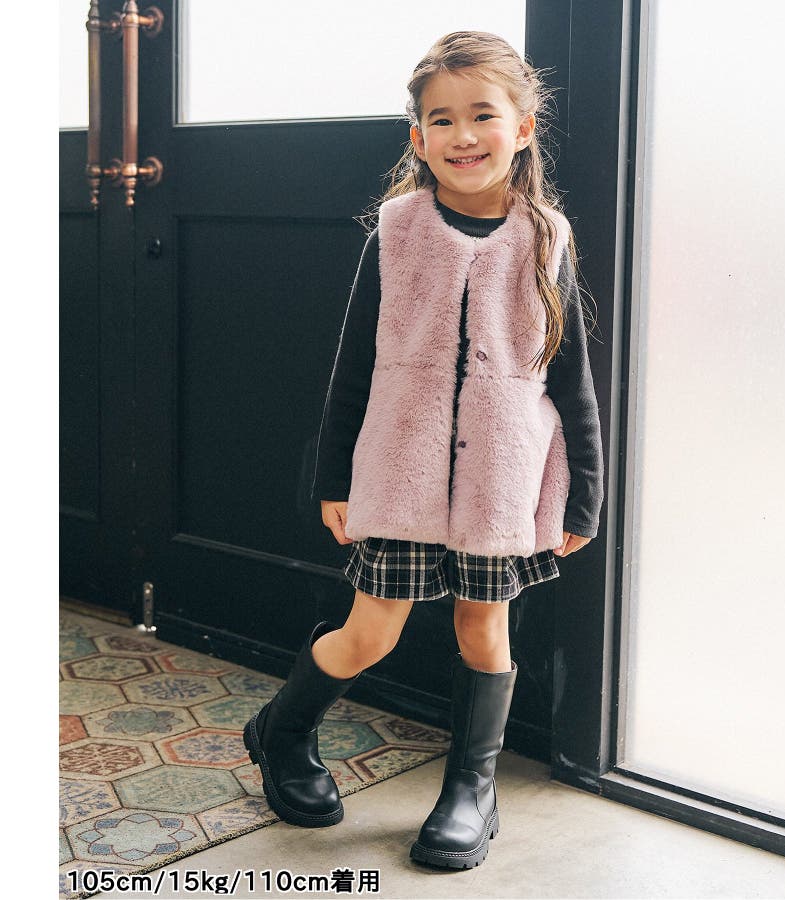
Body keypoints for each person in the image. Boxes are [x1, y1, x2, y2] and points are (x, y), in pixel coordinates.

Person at [243, 31, 604, 870]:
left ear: (523, 127)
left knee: (485, 630)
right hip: (398, 476)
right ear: (418, 137)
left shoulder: (544, 237)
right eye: (441, 120)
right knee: (370, 631)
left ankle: (471, 790)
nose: (462, 135)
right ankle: (282, 731)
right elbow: (353, 367)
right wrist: (335, 477)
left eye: (482, 115)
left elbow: (572, 378)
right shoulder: (397, 231)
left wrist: (582, 493)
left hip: (501, 484)